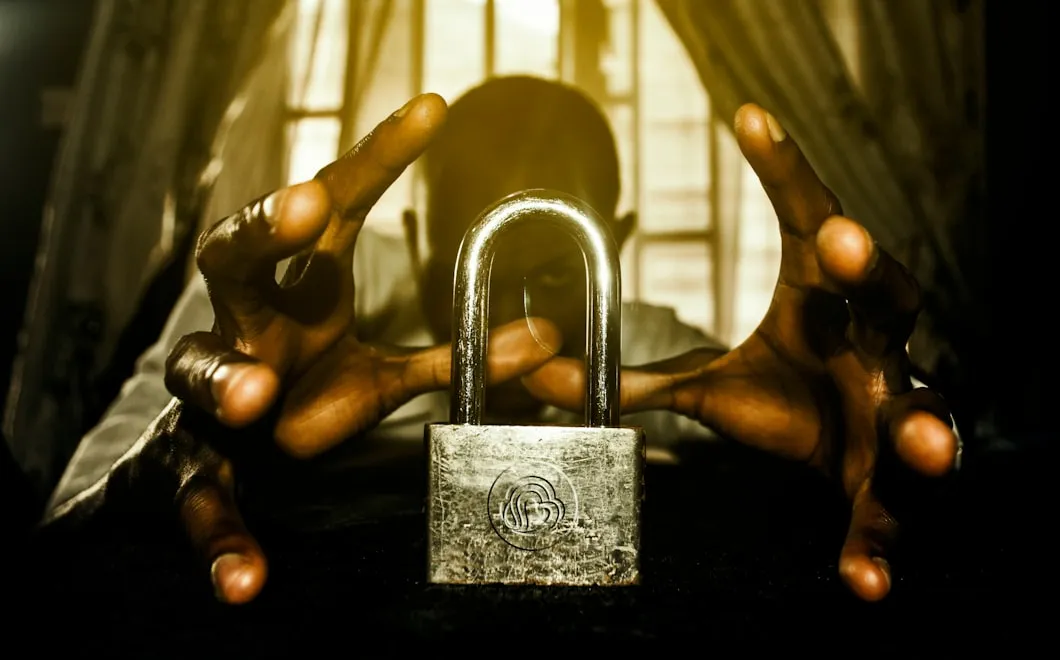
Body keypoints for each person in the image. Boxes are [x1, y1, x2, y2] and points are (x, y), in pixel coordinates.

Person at [45, 76, 959, 607]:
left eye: (558, 267)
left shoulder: (677, 361)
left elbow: (939, 464)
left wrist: (874, 451)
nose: (516, 309)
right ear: (422, 231)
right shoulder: (278, 329)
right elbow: (61, 516)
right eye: (481, 258)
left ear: (620, 242)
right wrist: (169, 453)